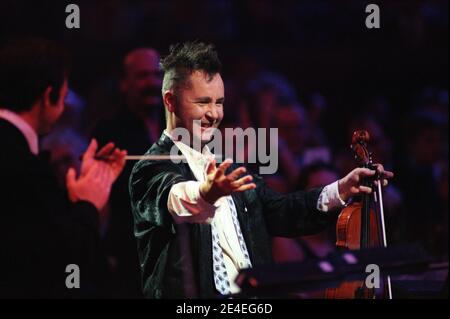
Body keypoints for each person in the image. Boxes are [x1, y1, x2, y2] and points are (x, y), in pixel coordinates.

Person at [129, 42, 393, 298]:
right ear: (171, 102)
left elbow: (282, 210)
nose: (213, 114)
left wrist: (342, 188)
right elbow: (173, 197)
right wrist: (206, 192)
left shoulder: (228, 166)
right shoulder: (150, 168)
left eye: (219, 102)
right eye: (202, 102)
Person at [0, 38, 126, 298]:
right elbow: (59, 262)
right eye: (64, 96)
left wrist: (76, 198)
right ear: (49, 97)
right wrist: (87, 204)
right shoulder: (25, 166)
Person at [91, 48, 163, 297]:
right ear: (124, 83)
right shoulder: (109, 132)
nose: (152, 83)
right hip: (131, 255)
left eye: (157, 75)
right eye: (142, 76)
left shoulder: (179, 126)